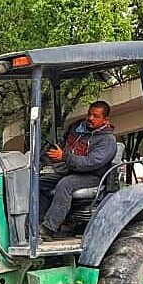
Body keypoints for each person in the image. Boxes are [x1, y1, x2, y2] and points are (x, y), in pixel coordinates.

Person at [39, 100, 117, 238]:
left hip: (92, 175)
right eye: (89, 114)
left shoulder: (107, 141)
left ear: (105, 120)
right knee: (40, 182)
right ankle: (38, 222)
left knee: (65, 185)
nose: (90, 118)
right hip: (70, 169)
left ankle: (49, 228)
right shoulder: (78, 129)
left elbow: (89, 163)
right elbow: (63, 145)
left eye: (96, 116)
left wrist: (64, 157)